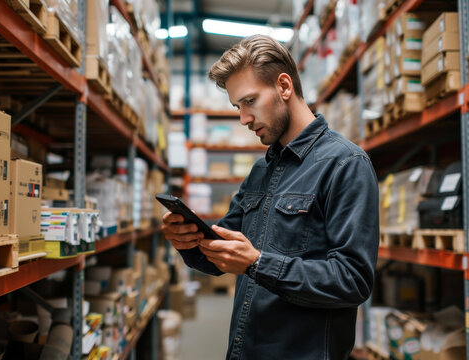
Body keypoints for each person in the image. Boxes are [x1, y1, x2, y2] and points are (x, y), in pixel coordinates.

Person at [161, 34, 379, 360]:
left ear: (284, 87)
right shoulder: (260, 172)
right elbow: (224, 252)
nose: (243, 119)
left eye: (249, 101)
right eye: (238, 107)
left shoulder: (345, 165)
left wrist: (258, 263)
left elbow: (352, 281)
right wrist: (189, 240)